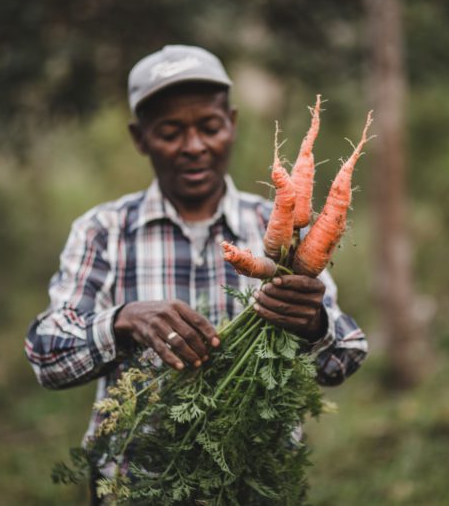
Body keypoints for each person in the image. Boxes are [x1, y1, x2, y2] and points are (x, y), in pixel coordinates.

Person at [24, 45, 368, 498]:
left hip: (255, 487)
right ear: (140, 137)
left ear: (232, 124)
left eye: (209, 126)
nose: (194, 146)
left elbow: (344, 355)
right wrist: (124, 320)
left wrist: (312, 323)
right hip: (137, 489)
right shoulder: (103, 231)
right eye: (170, 131)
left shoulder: (280, 232)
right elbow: (47, 354)